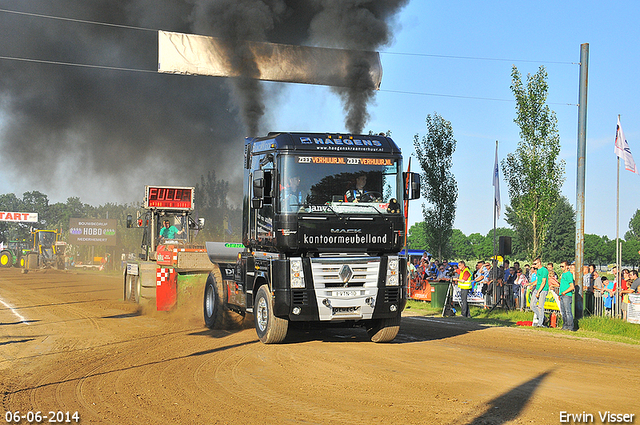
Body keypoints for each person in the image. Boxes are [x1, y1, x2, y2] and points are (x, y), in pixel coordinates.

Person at [557, 261, 575, 331]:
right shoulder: (563, 274)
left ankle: (570, 326)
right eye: (560, 266)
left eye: (563, 266)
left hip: (567, 295)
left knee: (568, 312)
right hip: (562, 295)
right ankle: (565, 325)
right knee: (563, 311)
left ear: (567, 266)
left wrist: (564, 292)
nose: (561, 268)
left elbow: (572, 286)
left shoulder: (568, 274)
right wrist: (560, 294)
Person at [532, 257, 549, 327]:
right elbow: (538, 280)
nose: (534, 265)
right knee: (532, 305)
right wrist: (530, 284)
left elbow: (543, 282)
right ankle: (543, 318)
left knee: (540, 307)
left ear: (539, 263)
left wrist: (539, 292)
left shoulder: (544, 270)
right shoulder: (538, 271)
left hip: (543, 290)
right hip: (537, 288)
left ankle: (540, 323)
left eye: (535, 264)